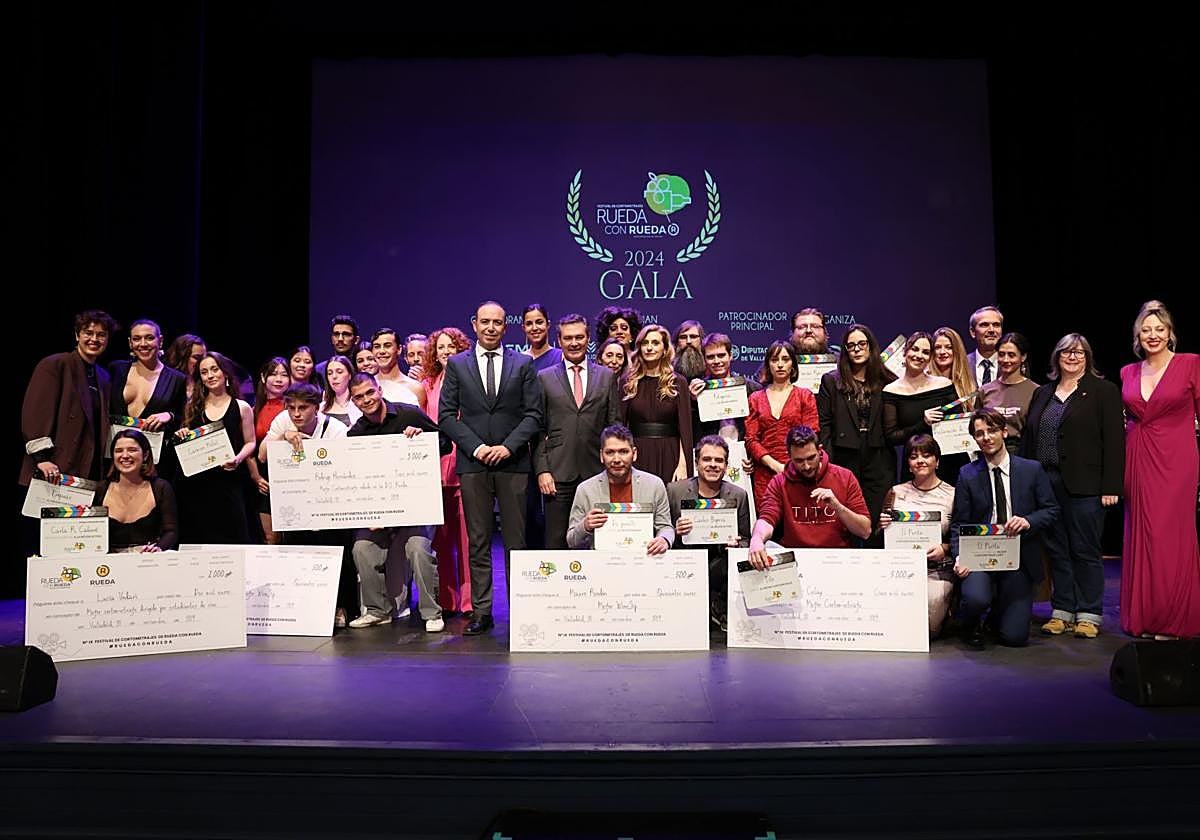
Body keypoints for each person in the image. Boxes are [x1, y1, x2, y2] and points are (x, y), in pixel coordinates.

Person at [438, 300, 543, 636]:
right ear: (474, 324)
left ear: (505, 326)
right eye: (485, 322)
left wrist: (507, 447)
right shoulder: (456, 364)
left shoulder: (523, 363)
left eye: (498, 322)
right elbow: (445, 416)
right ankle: (482, 611)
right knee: (479, 540)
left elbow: (534, 415)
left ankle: (522, 610)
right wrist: (479, 447)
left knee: (516, 541)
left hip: (513, 463)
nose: (491, 327)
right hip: (473, 462)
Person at [1022, 333, 1123, 639]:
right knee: (1057, 550)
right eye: (1066, 352)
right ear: (1057, 357)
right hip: (1047, 484)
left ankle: (1089, 614)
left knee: (1085, 549)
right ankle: (1062, 611)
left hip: (1087, 485)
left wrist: (1111, 486)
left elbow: (1115, 442)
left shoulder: (1103, 391)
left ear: (1088, 357)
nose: (1073, 357)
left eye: (1079, 352)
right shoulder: (1043, 393)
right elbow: (1030, 439)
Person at [1120, 300, 1200, 640]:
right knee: (1143, 534)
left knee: (1170, 536)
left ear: (1170, 333)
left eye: (1159, 329)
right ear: (1138, 335)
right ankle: (1147, 616)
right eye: (1146, 330)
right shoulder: (1128, 371)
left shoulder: (1190, 364)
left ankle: (1174, 619)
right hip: (1138, 456)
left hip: (1177, 458)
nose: (1153, 335)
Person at [346, 373, 448, 632]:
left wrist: (423, 438)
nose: (366, 399)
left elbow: (445, 443)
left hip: (415, 507)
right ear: (354, 401)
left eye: (370, 392)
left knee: (418, 548)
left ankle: (431, 613)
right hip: (380, 512)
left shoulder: (409, 415)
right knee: (362, 548)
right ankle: (378, 610)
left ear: (379, 390)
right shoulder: (356, 433)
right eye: (359, 397)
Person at [950, 407, 1058, 649]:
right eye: (979, 433)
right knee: (976, 598)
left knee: (1014, 638)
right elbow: (959, 523)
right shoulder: (967, 474)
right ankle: (970, 624)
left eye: (992, 430)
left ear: (1004, 432)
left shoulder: (1031, 469)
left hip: (1018, 555)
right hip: (979, 554)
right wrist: (959, 556)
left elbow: (1051, 510)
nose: (986, 437)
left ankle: (997, 614)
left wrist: (1028, 521)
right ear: (975, 439)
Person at [260, 382, 354, 628]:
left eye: (303, 408)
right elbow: (261, 455)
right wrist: (283, 436)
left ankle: (341, 606)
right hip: (296, 501)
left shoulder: (335, 428)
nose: (296, 414)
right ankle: (303, 607)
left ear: (317, 407)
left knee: (335, 553)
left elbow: (343, 466)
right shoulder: (283, 421)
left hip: (330, 500)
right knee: (298, 553)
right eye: (291, 408)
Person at [535, 314, 621, 549]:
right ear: (559, 340)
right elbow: (538, 428)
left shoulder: (606, 376)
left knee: (599, 541)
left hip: (597, 471)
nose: (574, 343)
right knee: (556, 542)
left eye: (579, 337)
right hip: (558, 474)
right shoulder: (544, 378)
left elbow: (615, 425)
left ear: (588, 339)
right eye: (568, 338)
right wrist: (542, 470)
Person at [746, 425, 871, 566]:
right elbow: (767, 518)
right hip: (797, 560)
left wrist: (837, 507)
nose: (806, 466)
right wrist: (756, 538)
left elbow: (865, 531)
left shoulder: (844, 477)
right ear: (789, 455)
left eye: (811, 458)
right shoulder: (780, 482)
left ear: (820, 450)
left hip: (836, 560)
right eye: (799, 461)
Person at [816, 324, 896, 545]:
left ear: (871, 347)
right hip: (844, 457)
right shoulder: (831, 380)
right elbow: (824, 425)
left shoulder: (889, 380)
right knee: (845, 520)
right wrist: (829, 464)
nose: (857, 349)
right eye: (851, 346)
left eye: (862, 344)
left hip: (879, 457)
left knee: (877, 521)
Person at [21, 309, 119, 487]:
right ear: (77, 335)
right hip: (53, 467)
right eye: (88, 333)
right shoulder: (55, 365)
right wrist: (41, 458)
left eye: (101, 335)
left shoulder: (103, 377)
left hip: (88, 470)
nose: (94, 339)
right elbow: (36, 414)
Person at [667, 435, 751, 631]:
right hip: (683, 563)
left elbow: (746, 539)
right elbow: (659, 531)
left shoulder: (738, 495)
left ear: (726, 465)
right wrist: (675, 531)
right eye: (707, 459)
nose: (713, 465)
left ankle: (719, 610)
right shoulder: (675, 491)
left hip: (721, 565)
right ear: (696, 463)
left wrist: (737, 545)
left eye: (719, 460)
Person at [175, 351, 258, 544]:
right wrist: (182, 435)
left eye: (214, 370)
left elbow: (251, 442)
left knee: (233, 538)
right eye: (204, 372)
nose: (210, 375)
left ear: (226, 374)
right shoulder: (193, 407)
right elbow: (186, 438)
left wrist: (237, 459)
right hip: (198, 485)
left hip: (229, 482)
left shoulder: (242, 407)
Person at [877, 435, 956, 636]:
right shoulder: (895, 492)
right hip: (900, 568)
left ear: (937, 460)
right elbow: (879, 535)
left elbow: (959, 537)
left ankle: (946, 610)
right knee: (895, 625)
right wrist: (882, 525)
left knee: (927, 628)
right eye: (914, 457)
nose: (920, 460)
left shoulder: (953, 494)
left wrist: (945, 548)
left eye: (927, 455)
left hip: (937, 570)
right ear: (908, 464)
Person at [422, 326, 474, 615]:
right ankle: (447, 599)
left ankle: (468, 602)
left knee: (467, 541)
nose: (445, 352)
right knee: (441, 542)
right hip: (435, 468)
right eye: (440, 347)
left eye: (451, 347)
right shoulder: (428, 384)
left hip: (464, 464)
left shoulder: (469, 380)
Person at [566, 424, 674, 552]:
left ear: (634, 454)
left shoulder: (654, 485)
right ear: (601, 456)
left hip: (643, 560)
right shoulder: (585, 490)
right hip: (601, 563)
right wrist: (585, 526)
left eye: (623, 452)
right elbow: (571, 541)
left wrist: (663, 539)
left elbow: (665, 527)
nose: (616, 459)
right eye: (610, 452)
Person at [108, 318, 188, 480]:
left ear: (160, 340)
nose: (143, 344)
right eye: (137, 339)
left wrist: (170, 416)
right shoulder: (116, 369)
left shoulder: (176, 379)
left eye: (149, 338)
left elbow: (183, 418)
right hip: (115, 458)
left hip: (153, 462)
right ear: (130, 343)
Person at [745, 340, 819, 513]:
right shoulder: (755, 398)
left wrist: (793, 465)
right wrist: (775, 465)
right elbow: (751, 439)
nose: (779, 364)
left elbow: (812, 433)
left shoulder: (804, 396)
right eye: (774, 359)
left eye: (785, 359)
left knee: (798, 523)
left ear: (793, 364)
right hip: (765, 473)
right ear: (768, 364)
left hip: (799, 470)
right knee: (768, 524)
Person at [619, 324, 694, 488]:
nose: (649, 348)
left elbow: (685, 430)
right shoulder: (628, 382)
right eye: (645, 343)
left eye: (655, 343)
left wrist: (683, 464)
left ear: (665, 348)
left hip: (670, 453)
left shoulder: (678, 382)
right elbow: (620, 427)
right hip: (637, 455)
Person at [882, 332, 959, 483]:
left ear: (930, 358)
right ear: (905, 351)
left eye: (925, 352)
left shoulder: (944, 385)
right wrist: (922, 424)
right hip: (915, 466)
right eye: (915, 349)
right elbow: (892, 436)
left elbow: (957, 425)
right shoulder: (891, 391)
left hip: (948, 462)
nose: (919, 355)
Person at [93, 429, 179, 552]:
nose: (125, 455)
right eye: (118, 451)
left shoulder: (161, 488)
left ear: (145, 455)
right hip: (109, 564)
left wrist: (158, 548)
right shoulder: (100, 489)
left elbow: (171, 531)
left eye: (132, 450)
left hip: (147, 562)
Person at [688, 332, 763, 444]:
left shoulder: (752, 388)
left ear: (731, 355)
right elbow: (690, 429)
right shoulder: (698, 390)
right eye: (710, 357)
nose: (716, 361)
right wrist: (692, 401)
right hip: (711, 452)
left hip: (744, 451)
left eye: (721, 355)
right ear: (704, 360)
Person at [251, 357, 291, 544]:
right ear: (263, 377)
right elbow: (249, 447)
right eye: (274, 374)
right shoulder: (253, 409)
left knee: (290, 535)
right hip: (263, 477)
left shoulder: (293, 408)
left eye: (284, 375)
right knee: (269, 538)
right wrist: (256, 477)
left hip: (289, 473)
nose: (279, 379)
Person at [981, 332, 1037, 453]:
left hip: (1023, 454)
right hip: (989, 453)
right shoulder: (985, 390)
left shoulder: (1036, 391)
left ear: (1023, 357)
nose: (1006, 360)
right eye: (1001, 355)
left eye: (1011, 355)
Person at [371, 327, 426, 410]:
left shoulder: (415, 388)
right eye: (377, 346)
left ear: (399, 349)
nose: (381, 351)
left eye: (387, 346)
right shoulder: (366, 385)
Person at [930, 327, 976, 408]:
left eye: (949, 347)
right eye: (937, 347)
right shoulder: (925, 382)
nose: (942, 352)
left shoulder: (968, 384)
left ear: (957, 350)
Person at [966, 306, 1004, 386]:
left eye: (996, 325)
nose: (991, 330)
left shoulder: (1012, 363)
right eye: (984, 325)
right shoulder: (963, 364)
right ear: (973, 332)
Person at [319, 355, 361, 427]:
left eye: (339, 372)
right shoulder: (321, 406)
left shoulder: (359, 404)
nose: (334, 376)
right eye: (330, 373)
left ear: (349, 375)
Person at [314, 314, 360, 380]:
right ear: (332, 339)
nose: (340, 339)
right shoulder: (319, 371)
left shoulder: (363, 367)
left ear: (356, 340)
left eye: (346, 334)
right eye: (336, 334)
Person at [164, 333, 206, 401]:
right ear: (181, 357)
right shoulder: (165, 383)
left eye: (204, 358)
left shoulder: (205, 385)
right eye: (196, 357)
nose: (202, 362)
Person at [522, 303, 563, 372]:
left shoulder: (561, 357)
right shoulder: (520, 360)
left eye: (539, 322)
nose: (534, 328)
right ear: (524, 328)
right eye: (529, 324)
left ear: (548, 324)